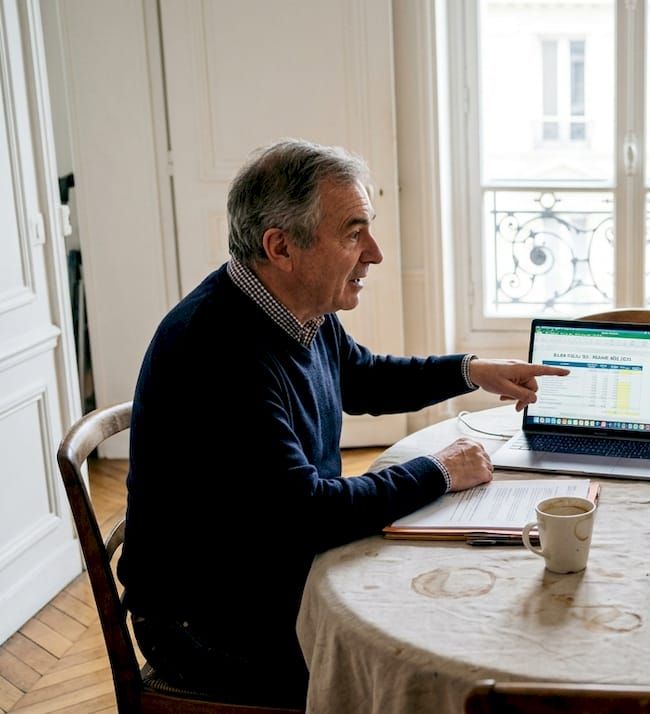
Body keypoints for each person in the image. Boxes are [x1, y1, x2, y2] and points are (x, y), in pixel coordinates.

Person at [118, 139, 568, 706]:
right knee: (434, 636)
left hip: (266, 568)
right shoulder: (218, 350)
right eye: (354, 233)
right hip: (208, 624)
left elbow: (362, 376)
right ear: (281, 247)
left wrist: (472, 371)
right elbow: (308, 512)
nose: (374, 253)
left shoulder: (293, 307)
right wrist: (439, 471)